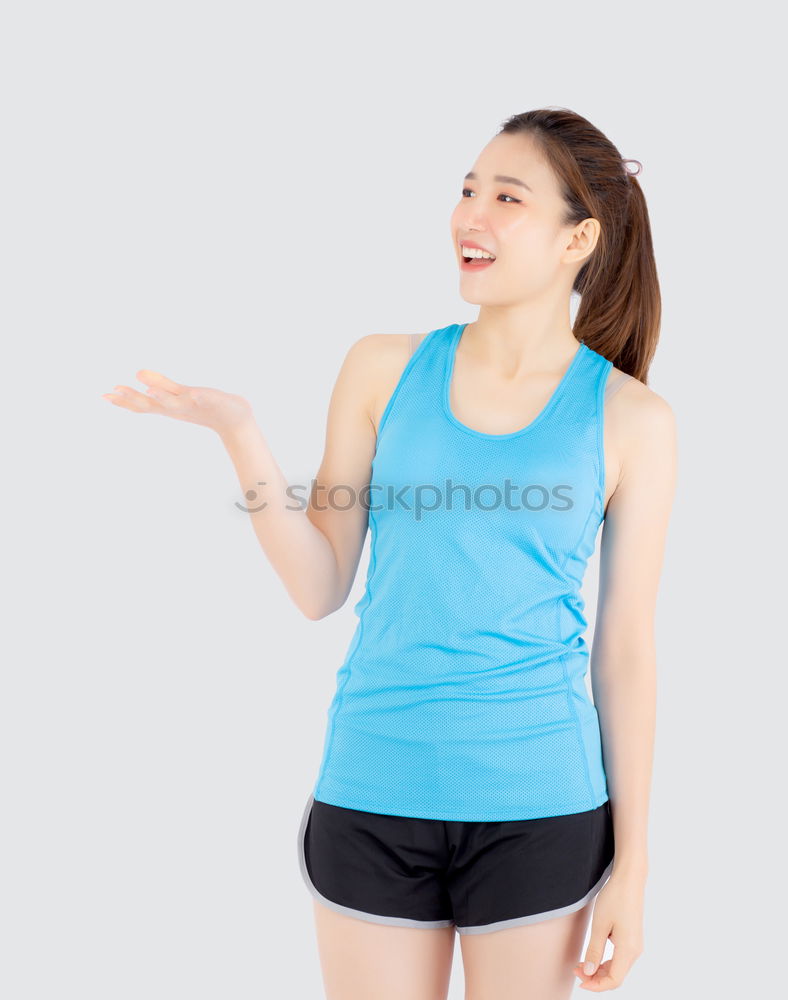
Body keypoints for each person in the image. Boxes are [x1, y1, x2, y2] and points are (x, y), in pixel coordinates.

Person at [102, 107, 677, 999]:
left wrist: (633, 866)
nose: (469, 215)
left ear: (580, 239)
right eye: (465, 190)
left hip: (540, 804)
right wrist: (242, 436)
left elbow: (627, 649)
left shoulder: (633, 420)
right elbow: (319, 582)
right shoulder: (380, 368)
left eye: (507, 197)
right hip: (372, 786)